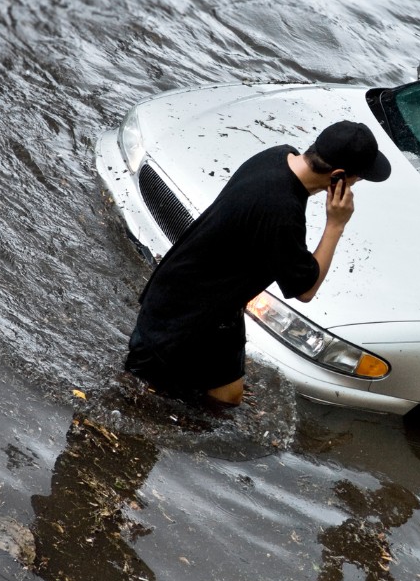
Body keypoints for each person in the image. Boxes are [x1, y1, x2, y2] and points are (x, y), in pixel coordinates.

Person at [124, 120, 391, 406]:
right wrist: (336, 224)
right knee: (143, 396)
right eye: (356, 179)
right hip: (184, 318)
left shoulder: (277, 155)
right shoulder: (281, 209)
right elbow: (306, 289)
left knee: (227, 397)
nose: (355, 185)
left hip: (207, 301)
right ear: (338, 176)